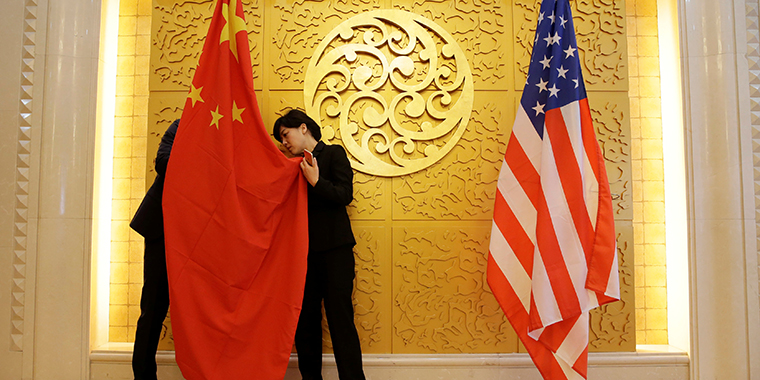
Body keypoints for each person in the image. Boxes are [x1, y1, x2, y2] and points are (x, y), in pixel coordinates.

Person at [273, 109, 366, 380]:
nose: (284, 143)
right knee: (306, 323)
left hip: (336, 252)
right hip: (302, 256)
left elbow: (344, 195)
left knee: (341, 321)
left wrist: (316, 181)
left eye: (285, 134)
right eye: (280, 139)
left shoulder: (334, 153)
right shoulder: (289, 166)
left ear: (303, 128)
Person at [130, 119, 179, 380]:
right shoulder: (179, 127)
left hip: (201, 236)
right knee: (153, 308)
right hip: (162, 229)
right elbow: (162, 164)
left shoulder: (225, 131)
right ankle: (143, 376)